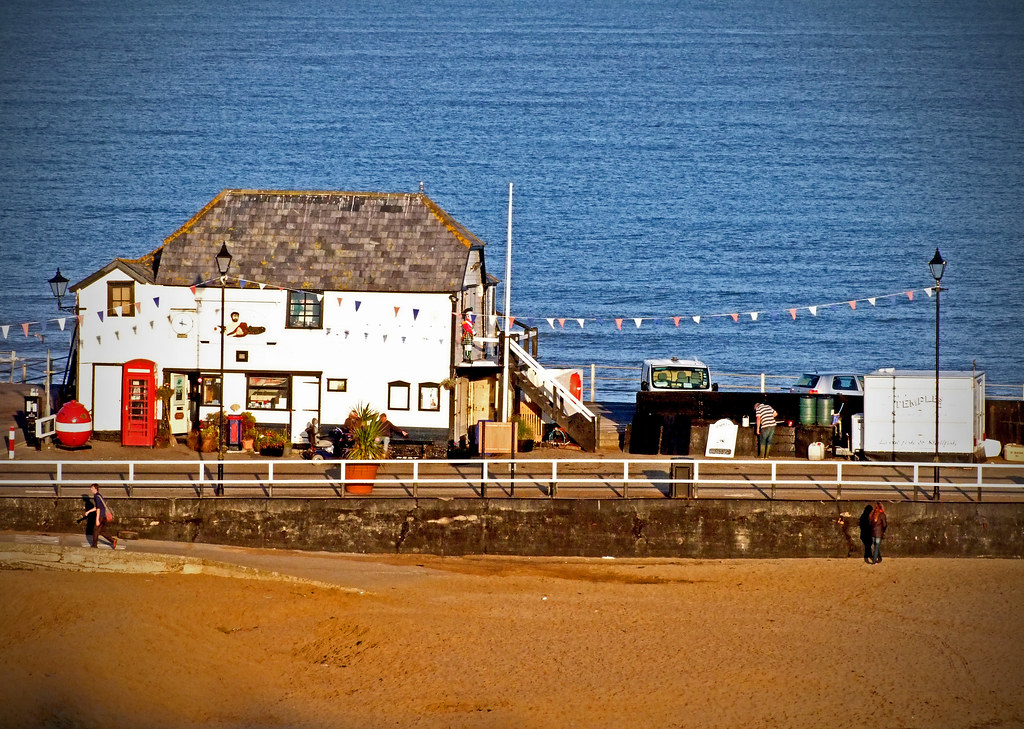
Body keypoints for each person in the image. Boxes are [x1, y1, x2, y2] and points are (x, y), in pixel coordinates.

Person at [84, 483, 117, 549]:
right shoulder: (99, 496)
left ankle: (94, 545)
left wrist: (97, 519)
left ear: (95, 488)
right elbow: (97, 507)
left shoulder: (96, 496)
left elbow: (98, 508)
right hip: (104, 516)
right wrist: (88, 512)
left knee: (95, 530)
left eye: (92, 488)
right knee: (101, 531)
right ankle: (113, 540)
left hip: (101, 516)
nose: (91, 489)